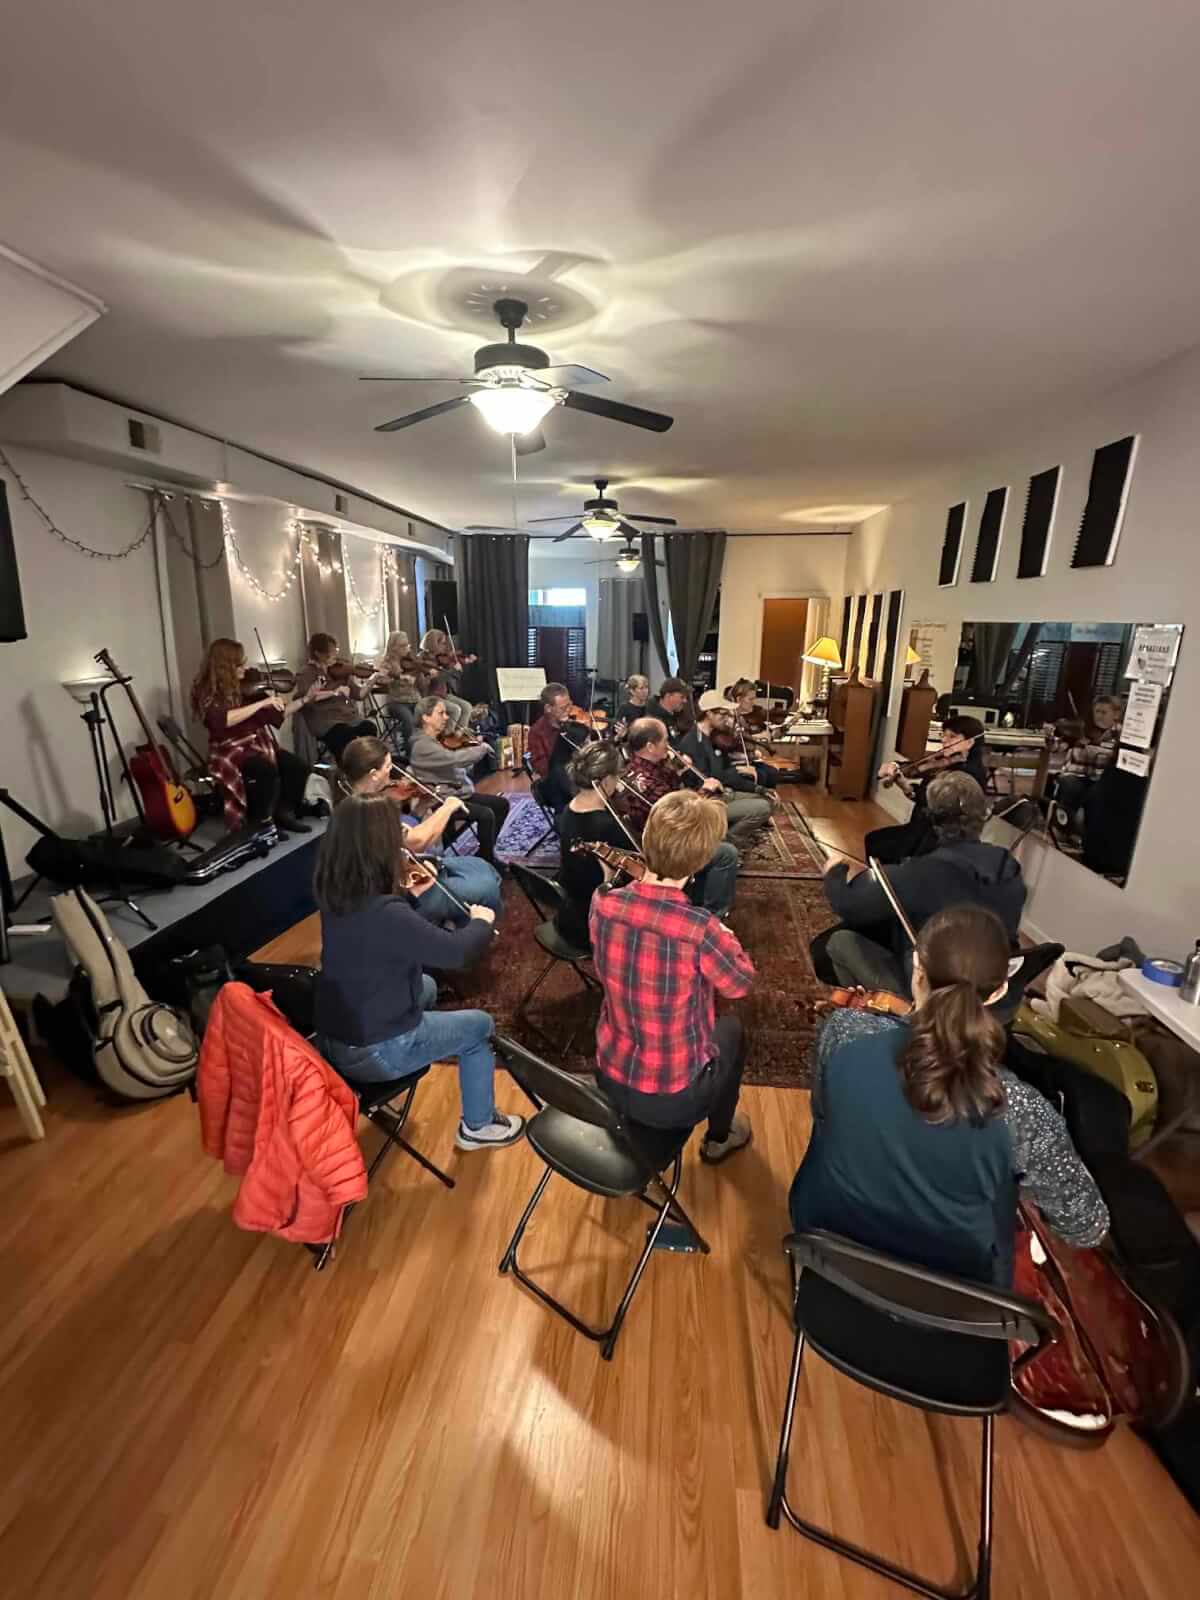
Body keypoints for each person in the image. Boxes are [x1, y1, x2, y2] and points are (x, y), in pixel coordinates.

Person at [791, 904, 1108, 1287]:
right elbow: (1086, 1227)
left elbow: (825, 1114)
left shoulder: (842, 1031)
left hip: (827, 1243)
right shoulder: (1022, 1109)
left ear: (916, 970)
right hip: (955, 1297)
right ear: (999, 991)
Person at [313, 795, 523, 1150]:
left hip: (335, 1033)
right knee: (480, 1027)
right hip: (376, 1050)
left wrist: (413, 897)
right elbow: (456, 953)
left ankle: (418, 1037)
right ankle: (479, 1125)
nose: (403, 834)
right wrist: (480, 922)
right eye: (394, 831)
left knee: (424, 985)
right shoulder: (386, 913)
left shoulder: (336, 891)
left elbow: (388, 933)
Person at [591, 789, 754, 1164]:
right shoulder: (701, 928)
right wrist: (729, 939)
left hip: (608, 1076)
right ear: (701, 862)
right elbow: (740, 984)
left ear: (647, 839)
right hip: (672, 1097)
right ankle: (719, 1136)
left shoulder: (604, 903)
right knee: (732, 1032)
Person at [811, 771, 1026, 1001]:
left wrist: (835, 871)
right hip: (996, 997)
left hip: (936, 1000)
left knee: (838, 943)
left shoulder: (921, 872)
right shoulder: (1008, 866)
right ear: (982, 816)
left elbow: (849, 903)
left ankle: (888, 1020)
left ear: (932, 820)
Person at [337, 736, 502, 925]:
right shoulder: (367, 811)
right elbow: (418, 841)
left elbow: (398, 837)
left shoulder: (351, 800)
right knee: (489, 885)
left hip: (405, 868)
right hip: (398, 894)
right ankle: (471, 936)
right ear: (373, 774)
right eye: (388, 767)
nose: (392, 774)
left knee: (482, 866)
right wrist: (448, 806)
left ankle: (454, 926)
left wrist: (419, 810)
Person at [190, 637, 314, 834]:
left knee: (297, 767)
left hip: (256, 743)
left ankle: (283, 813)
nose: (244, 668)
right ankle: (260, 823)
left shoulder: (248, 688)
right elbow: (221, 720)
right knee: (265, 771)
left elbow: (277, 714)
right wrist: (260, 704)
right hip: (229, 749)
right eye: (240, 664)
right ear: (226, 666)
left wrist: (306, 699)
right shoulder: (206, 691)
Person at [623, 716, 739, 915]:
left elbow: (673, 789)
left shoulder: (650, 765)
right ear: (650, 746)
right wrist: (704, 791)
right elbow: (678, 814)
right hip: (666, 843)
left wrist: (679, 769)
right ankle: (712, 914)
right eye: (665, 741)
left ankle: (698, 893)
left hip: (670, 831)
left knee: (718, 835)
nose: (669, 746)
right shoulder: (644, 780)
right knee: (727, 853)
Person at [866, 713, 988, 863]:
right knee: (876, 841)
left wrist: (908, 787)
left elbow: (937, 804)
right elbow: (918, 776)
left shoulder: (968, 774)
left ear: (970, 743)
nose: (944, 740)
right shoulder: (947, 762)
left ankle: (891, 881)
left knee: (876, 843)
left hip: (937, 836)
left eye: (952, 736)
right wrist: (898, 770)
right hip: (921, 828)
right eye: (944, 735)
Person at [555, 742, 639, 950]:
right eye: (617, 775)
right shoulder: (608, 826)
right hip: (598, 918)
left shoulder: (568, 810)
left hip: (571, 908)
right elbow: (639, 866)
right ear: (607, 780)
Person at [408, 695, 510, 866]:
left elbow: (454, 762)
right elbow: (455, 759)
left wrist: (469, 746)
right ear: (426, 717)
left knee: (501, 804)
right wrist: (481, 748)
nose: (446, 717)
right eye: (441, 713)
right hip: (440, 798)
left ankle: (484, 852)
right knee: (486, 814)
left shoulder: (435, 739)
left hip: (455, 792)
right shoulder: (421, 745)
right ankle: (486, 862)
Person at [679, 690, 773, 848]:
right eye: (723, 714)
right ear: (709, 714)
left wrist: (758, 788)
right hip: (707, 801)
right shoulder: (692, 742)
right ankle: (726, 841)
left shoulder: (713, 736)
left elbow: (724, 771)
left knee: (772, 801)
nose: (727, 719)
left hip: (723, 792)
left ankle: (726, 832)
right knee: (763, 807)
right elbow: (713, 777)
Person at [293, 632, 376, 762]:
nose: (335, 654)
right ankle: (348, 770)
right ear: (318, 653)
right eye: (331, 651)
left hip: (348, 718)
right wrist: (334, 692)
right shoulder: (307, 673)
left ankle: (368, 765)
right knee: (345, 735)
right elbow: (306, 698)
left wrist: (373, 678)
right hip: (326, 722)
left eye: (335, 650)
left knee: (369, 727)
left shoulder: (340, 671)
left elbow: (360, 694)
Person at [1051, 697, 1122, 831]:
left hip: (1101, 779)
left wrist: (1103, 752)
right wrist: (1050, 738)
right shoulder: (1081, 729)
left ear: (1116, 715)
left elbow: (1123, 758)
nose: (1099, 716)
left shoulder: (1121, 735)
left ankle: (1088, 834)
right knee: (1071, 787)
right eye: (1097, 711)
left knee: (1097, 796)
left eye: (1104, 712)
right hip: (1075, 774)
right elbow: (1057, 747)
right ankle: (1063, 828)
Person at [527, 681, 584, 812]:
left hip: (577, 777)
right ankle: (567, 820)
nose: (568, 710)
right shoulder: (537, 731)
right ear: (548, 708)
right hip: (552, 783)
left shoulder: (573, 725)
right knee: (558, 772)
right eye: (563, 708)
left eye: (569, 705)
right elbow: (541, 768)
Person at [726, 678, 787, 788]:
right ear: (739, 699)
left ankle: (769, 800)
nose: (754, 703)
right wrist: (753, 750)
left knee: (773, 772)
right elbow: (730, 746)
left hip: (747, 758)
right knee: (763, 775)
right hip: (734, 761)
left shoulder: (741, 718)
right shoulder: (729, 718)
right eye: (750, 699)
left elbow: (747, 742)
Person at [418, 628, 474, 732]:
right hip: (431, 697)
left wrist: (456, 666)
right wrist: (452, 670)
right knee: (455, 710)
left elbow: (445, 673)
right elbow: (437, 680)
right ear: (434, 643)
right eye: (442, 643)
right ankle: (448, 738)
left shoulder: (438, 658)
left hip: (442, 695)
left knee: (467, 707)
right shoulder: (423, 660)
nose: (445, 647)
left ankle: (461, 735)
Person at [646, 677, 691, 745]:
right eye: (682, 697)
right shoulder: (653, 722)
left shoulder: (679, 714)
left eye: (686, 697)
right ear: (668, 696)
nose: (685, 701)